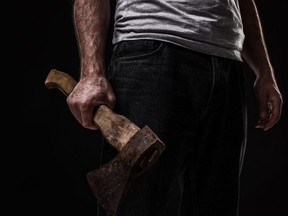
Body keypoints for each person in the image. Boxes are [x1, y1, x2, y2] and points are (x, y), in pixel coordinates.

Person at [67, 0, 283, 215]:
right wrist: (91, 72)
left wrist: (264, 71)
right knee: (135, 207)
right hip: (153, 52)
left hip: (227, 63)